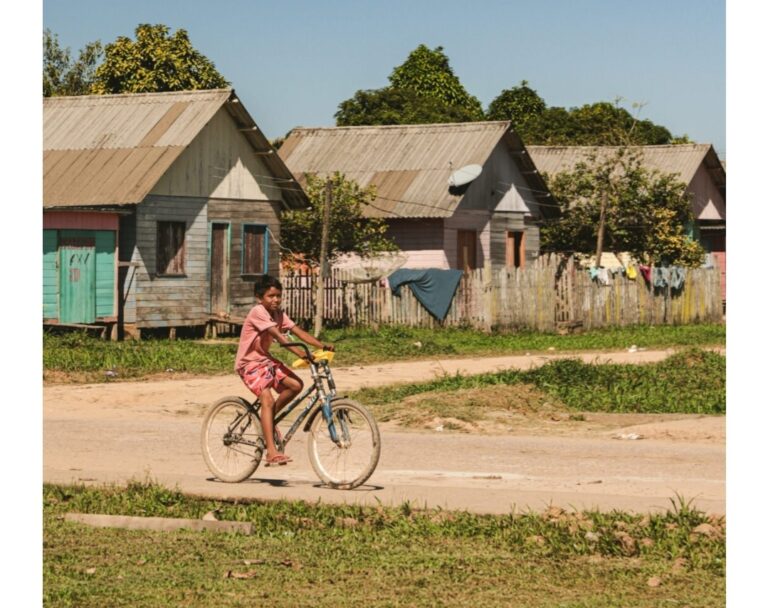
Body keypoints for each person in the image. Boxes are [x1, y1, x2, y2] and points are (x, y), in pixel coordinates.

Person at [235, 275, 333, 466]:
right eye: (271, 296)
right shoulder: (258, 312)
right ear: (259, 297)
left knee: (296, 385)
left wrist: (322, 346)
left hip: (264, 360)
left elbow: (299, 332)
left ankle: (268, 421)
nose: (276, 300)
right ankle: (271, 452)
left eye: (278, 296)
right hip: (248, 364)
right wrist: (302, 354)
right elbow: (280, 338)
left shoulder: (279, 314)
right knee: (268, 399)